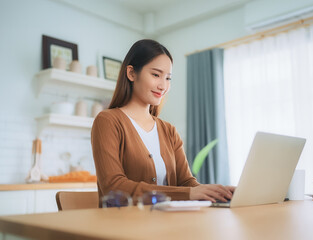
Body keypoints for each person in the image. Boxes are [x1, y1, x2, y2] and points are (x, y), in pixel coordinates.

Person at [91, 39, 234, 205]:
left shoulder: (169, 130)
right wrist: (189, 193)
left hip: (168, 224)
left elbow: (187, 183)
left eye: (168, 78)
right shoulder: (108, 121)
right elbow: (113, 186)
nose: (163, 86)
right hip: (125, 225)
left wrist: (217, 193)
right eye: (156, 75)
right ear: (131, 73)